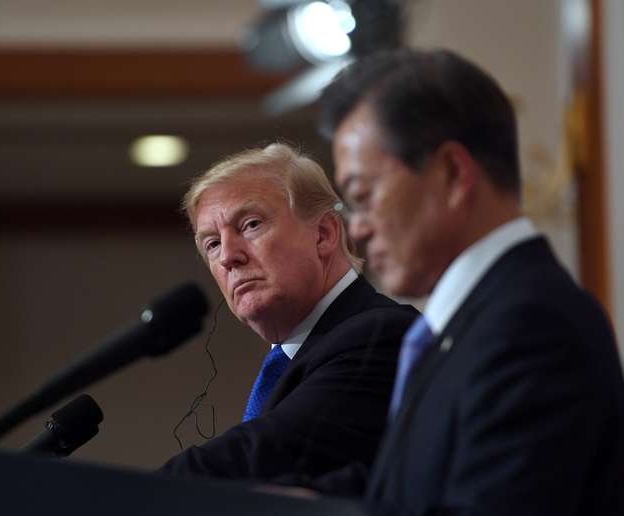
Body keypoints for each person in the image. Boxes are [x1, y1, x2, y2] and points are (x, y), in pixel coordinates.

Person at [315, 48, 624, 515]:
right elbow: (412, 487)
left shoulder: (530, 328)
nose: (356, 228)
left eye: (362, 196)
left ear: (454, 173)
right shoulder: (470, 325)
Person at [160, 143, 417, 495]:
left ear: (324, 234)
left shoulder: (379, 334)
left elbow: (267, 453)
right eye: (212, 244)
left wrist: (125, 495)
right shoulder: (298, 354)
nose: (229, 257)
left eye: (250, 225)